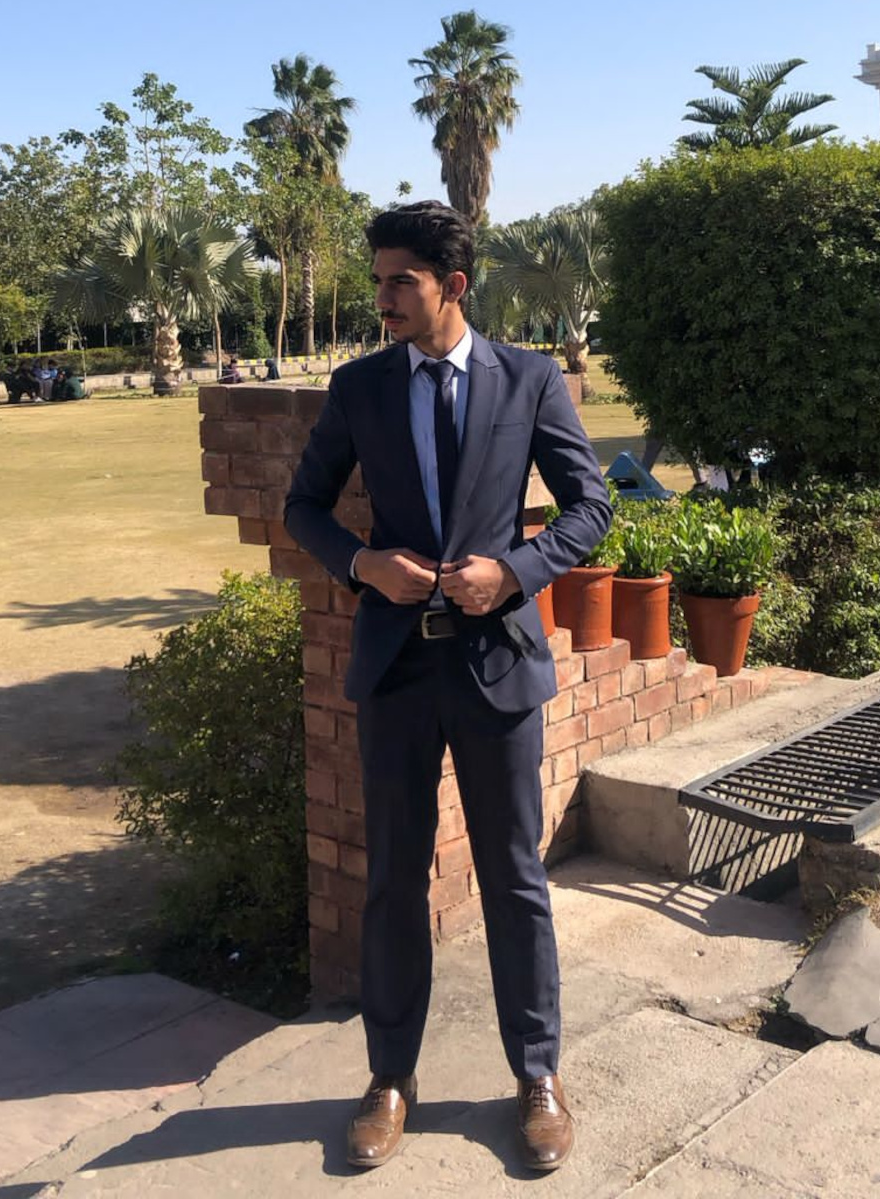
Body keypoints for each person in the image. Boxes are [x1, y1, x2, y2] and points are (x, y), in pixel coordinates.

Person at [284, 201, 611, 1173]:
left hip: (495, 662)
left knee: (514, 875)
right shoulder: (360, 386)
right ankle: (390, 1077)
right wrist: (361, 563)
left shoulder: (528, 379)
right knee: (393, 875)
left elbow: (590, 506)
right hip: (397, 667)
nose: (383, 299)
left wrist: (514, 571)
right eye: (379, 280)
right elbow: (304, 506)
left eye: (402, 282)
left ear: (453, 285)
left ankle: (538, 1074)